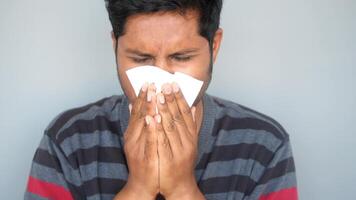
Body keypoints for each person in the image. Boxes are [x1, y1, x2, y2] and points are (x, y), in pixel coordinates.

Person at [24, 0, 298, 199]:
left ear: (214, 47)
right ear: (115, 46)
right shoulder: (68, 141)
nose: (162, 80)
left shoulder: (264, 146)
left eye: (181, 57)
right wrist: (139, 189)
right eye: (141, 59)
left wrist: (182, 189)